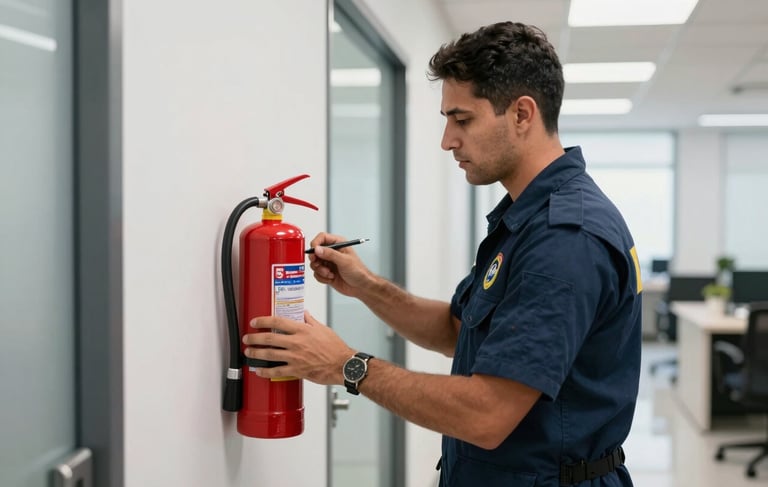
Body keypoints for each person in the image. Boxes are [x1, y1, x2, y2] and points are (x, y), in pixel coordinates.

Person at [243, 21, 642, 486]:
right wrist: (366, 287)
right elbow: (458, 330)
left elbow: (487, 416)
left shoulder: (565, 238)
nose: (447, 139)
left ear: (522, 114)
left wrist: (345, 365)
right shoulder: (526, 218)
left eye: (463, 119)